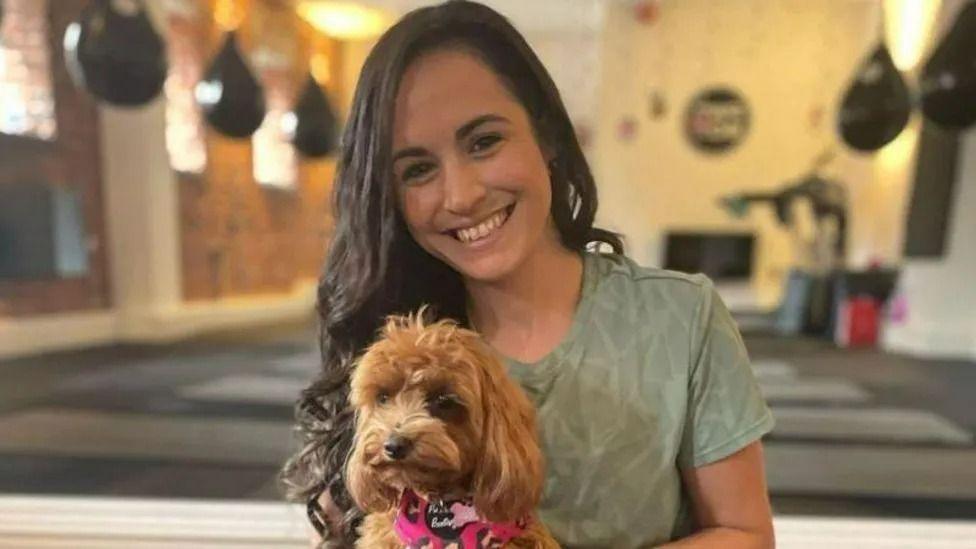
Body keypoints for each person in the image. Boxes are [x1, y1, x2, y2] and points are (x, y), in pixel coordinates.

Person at [282, 1, 775, 547]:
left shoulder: (682, 319)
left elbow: (744, 534)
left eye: (484, 141)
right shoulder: (387, 339)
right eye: (418, 170)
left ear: (546, 135)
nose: (463, 195)